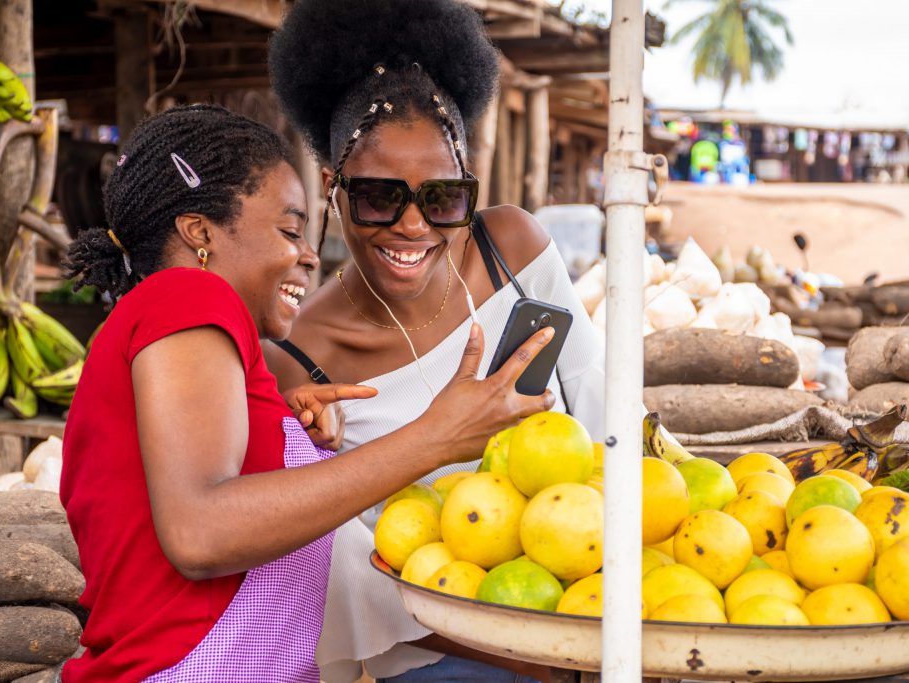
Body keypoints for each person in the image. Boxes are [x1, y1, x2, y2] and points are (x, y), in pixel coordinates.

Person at [58, 104, 555, 682]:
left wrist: (278, 435)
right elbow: (199, 532)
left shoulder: (181, 325)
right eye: (290, 230)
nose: (311, 255)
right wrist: (433, 439)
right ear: (199, 233)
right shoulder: (189, 296)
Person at [264, 1, 607, 681]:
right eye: (378, 198)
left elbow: (603, 414)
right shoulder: (298, 354)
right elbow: (348, 575)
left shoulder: (513, 250)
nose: (413, 227)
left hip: (582, 605)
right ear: (333, 187)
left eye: (444, 198)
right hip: (433, 653)